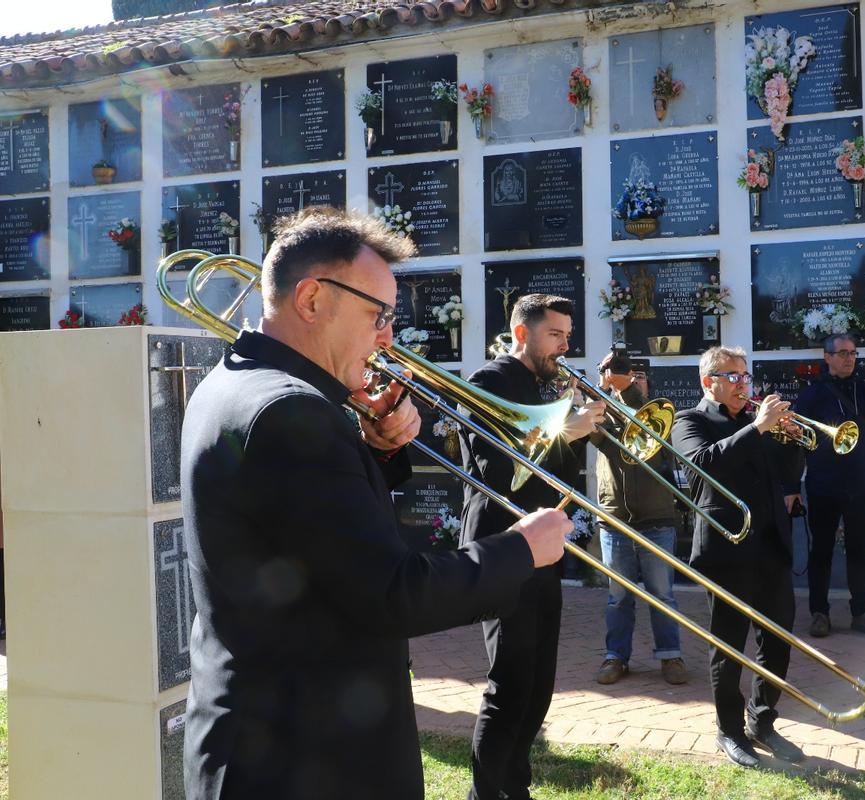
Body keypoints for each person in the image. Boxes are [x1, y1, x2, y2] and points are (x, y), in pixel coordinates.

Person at [180, 208, 574, 800]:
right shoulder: (292, 412)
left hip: (265, 736)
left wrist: (375, 452)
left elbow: (308, 540)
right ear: (311, 299)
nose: (388, 337)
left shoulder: (238, 381)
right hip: (304, 757)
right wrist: (520, 550)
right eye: (377, 314)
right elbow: (391, 594)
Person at [459, 294, 607, 800]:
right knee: (510, 683)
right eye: (556, 335)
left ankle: (513, 785)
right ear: (522, 334)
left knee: (540, 681)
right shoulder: (488, 383)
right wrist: (567, 426)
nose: (565, 346)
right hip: (503, 546)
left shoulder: (550, 384)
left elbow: (557, 475)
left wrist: (585, 429)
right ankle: (485, 793)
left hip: (544, 546)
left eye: (568, 334)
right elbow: (497, 472)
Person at [671, 345, 805, 768]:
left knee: (777, 640)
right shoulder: (688, 420)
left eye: (746, 376)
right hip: (726, 548)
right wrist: (759, 428)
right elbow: (702, 466)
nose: (743, 384)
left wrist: (794, 440)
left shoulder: (753, 421)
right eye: (734, 376)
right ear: (709, 381)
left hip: (771, 544)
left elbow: (785, 473)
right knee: (727, 646)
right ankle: (728, 731)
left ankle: (761, 720)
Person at [794, 334, 865, 639]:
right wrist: (793, 485)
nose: (848, 359)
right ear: (826, 357)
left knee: (859, 551)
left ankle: (862, 613)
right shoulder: (812, 395)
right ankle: (819, 613)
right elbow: (796, 440)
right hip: (823, 486)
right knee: (821, 551)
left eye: (853, 353)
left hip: (862, 487)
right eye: (841, 353)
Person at [591, 352, 686, 687]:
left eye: (639, 375)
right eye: (624, 373)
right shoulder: (600, 412)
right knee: (618, 596)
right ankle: (616, 656)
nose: (632, 378)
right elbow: (595, 435)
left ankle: (670, 654)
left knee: (662, 594)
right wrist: (604, 388)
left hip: (657, 518)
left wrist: (627, 389)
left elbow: (650, 439)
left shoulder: (660, 412)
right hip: (614, 518)